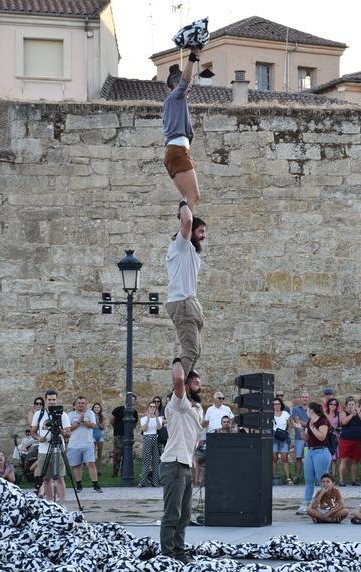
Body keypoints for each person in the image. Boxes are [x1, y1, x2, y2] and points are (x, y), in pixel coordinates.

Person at [159, 360, 203, 563]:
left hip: (184, 466)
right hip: (173, 464)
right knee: (172, 515)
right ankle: (167, 556)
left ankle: (179, 553)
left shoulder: (196, 408)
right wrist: (181, 359)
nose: (200, 387)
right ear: (186, 387)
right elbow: (178, 378)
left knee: (185, 515)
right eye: (196, 383)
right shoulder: (178, 404)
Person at [165, 196, 207, 381]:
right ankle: (178, 395)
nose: (203, 236)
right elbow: (188, 220)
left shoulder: (187, 250)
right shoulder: (181, 246)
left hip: (189, 301)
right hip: (183, 301)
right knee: (190, 350)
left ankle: (186, 385)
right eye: (201, 231)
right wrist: (184, 202)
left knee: (195, 352)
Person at [162, 58, 202, 206]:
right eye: (187, 85)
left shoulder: (172, 102)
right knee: (193, 195)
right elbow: (185, 79)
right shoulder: (176, 96)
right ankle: (187, 230)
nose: (189, 87)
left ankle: (184, 228)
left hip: (174, 152)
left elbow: (185, 81)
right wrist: (193, 56)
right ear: (176, 85)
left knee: (187, 197)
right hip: (178, 151)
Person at [31, 389, 71, 502]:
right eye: (49, 400)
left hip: (58, 448)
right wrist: (39, 438)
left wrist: (63, 433)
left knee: (59, 477)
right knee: (46, 479)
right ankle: (50, 503)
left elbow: (68, 433)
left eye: (54, 399)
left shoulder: (62, 414)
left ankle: (62, 503)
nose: (52, 402)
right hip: (44, 449)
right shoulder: (39, 414)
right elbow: (33, 431)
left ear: (57, 400)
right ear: (46, 400)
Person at [294, 401, 331, 515]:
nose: (306, 412)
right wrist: (300, 429)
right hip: (310, 451)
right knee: (309, 480)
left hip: (321, 451)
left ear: (312, 411)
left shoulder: (322, 421)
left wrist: (313, 427)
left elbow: (322, 436)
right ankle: (306, 504)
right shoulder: (310, 422)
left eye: (307, 410)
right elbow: (306, 438)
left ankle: (325, 503)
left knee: (322, 480)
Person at [67, 396, 102, 494]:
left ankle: (95, 484)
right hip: (74, 444)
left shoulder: (90, 413)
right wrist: (78, 422)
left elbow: (93, 425)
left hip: (88, 443)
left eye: (83, 403)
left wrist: (84, 421)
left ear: (85, 405)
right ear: (75, 405)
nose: (81, 405)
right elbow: (69, 428)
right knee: (77, 465)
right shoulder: (70, 415)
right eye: (79, 403)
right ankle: (79, 485)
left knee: (90, 464)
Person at [338, 396, 361, 487]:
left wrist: (359, 414)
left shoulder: (359, 413)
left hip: (357, 441)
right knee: (344, 460)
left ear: (355, 405)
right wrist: (351, 415)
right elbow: (344, 422)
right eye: (349, 404)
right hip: (346, 440)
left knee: (355, 461)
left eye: (353, 404)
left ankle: (354, 480)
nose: (351, 406)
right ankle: (341, 480)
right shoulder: (343, 413)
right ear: (346, 406)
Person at [139, 401, 163, 487]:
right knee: (146, 460)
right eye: (150, 407)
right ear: (148, 408)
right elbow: (144, 429)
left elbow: (159, 427)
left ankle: (155, 481)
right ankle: (142, 482)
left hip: (155, 438)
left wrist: (156, 418)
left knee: (156, 460)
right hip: (147, 438)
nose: (152, 408)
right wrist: (148, 419)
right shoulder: (144, 419)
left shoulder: (158, 419)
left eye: (154, 407)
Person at [290, 392, 310, 484]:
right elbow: (297, 420)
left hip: (310, 437)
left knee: (309, 458)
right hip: (299, 437)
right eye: (303, 397)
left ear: (308, 398)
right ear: (300, 398)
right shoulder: (295, 409)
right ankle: (297, 476)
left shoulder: (311, 409)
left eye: (306, 397)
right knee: (298, 457)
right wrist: (309, 424)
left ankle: (310, 477)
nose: (304, 398)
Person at [272, 398, 292, 484]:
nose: (277, 406)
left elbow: (289, 425)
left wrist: (287, 433)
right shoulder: (270, 414)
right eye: (275, 404)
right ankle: (274, 476)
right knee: (274, 457)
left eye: (278, 404)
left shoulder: (285, 414)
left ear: (281, 405)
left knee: (284, 457)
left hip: (283, 437)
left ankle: (288, 477)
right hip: (274, 437)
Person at [326, 397, 341, 477]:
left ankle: (333, 475)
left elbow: (341, 427)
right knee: (326, 457)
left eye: (334, 404)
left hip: (335, 437)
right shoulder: (325, 414)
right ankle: (326, 474)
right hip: (326, 436)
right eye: (331, 404)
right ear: (328, 405)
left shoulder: (338, 415)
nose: (332, 406)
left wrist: (335, 428)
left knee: (334, 458)